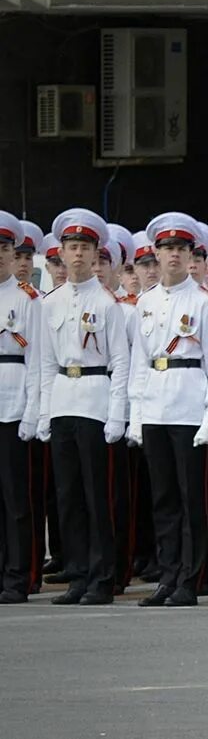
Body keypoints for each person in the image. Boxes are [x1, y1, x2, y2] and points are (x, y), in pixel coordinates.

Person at [34, 210, 131, 604]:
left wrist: (116, 413)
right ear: (60, 253)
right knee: (68, 495)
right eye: (71, 248)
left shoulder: (107, 302)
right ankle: (76, 574)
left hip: (95, 398)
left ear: (96, 255)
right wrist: (43, 412)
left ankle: (102, 576)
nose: (77, 255)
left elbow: (120, 361)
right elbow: (44, 360)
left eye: (85, 248)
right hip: (62, 399)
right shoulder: (50, 302)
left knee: (97, 496)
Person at [129, 215, 208, 606]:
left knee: (192, 499)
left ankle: (191, 577)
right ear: (156, 253)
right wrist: (136, 415)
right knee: (164, 498)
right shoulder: (146, 303)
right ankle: (168, 575)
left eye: (181, 250)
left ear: (191, 257)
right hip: (155, 403)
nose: (173, 255)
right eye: (167, 249)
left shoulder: (205, 304)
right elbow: (139, 360)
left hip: (189, 405)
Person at [0, 212, 42, 603]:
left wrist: (32, 411)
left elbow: (36, 361)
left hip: (14, 405)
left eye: (4, 249)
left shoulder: (27, 299)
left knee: (17, 498)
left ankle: (20, 575)